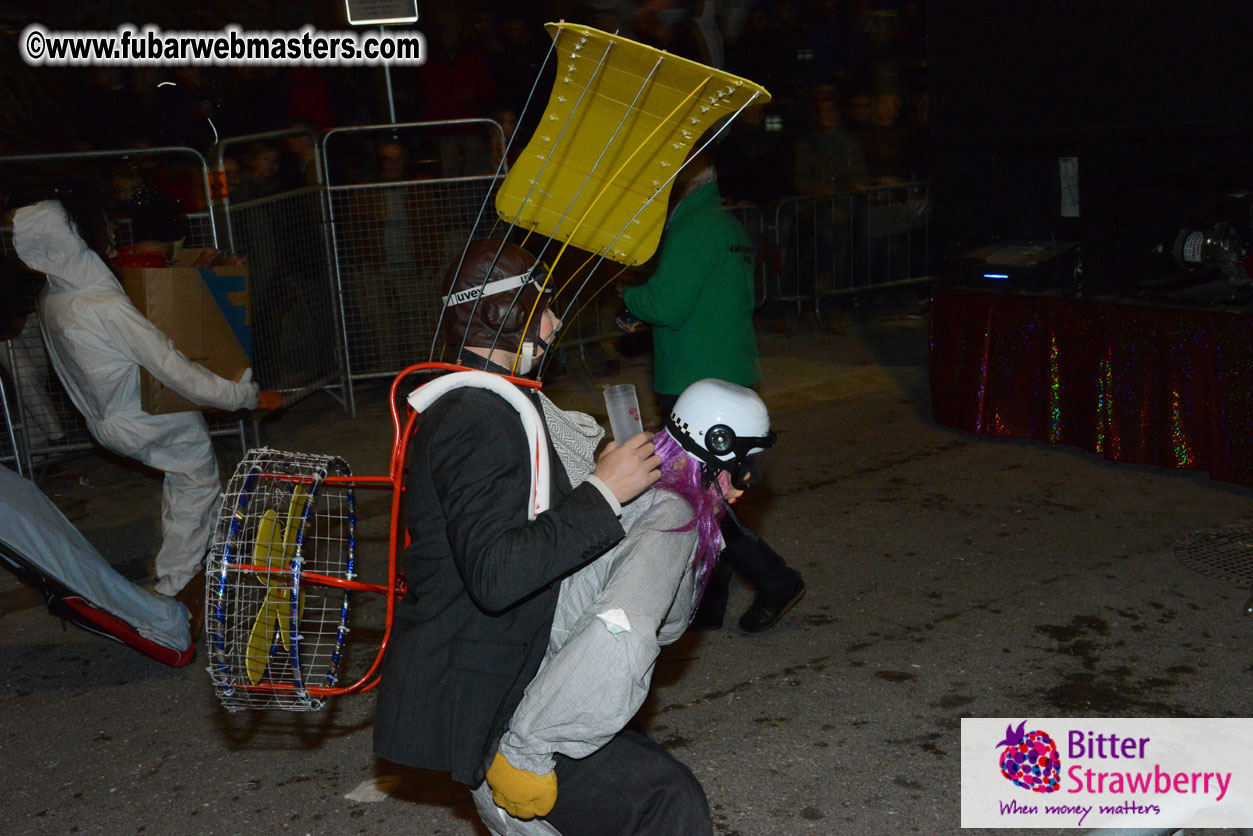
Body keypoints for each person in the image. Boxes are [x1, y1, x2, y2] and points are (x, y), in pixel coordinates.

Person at [373, 240, 709, 835]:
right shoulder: (477, 414)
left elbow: (521, 516)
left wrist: (599, 479)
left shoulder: (492, 401)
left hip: (521, 667)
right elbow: (496, 572)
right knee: (664, 801)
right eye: (541, 308)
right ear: (502, 316)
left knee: (657, 795)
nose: (554, 325)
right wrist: (602, 491)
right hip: (495, 694)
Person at [475, 378, 776, 836]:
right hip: (523, 740)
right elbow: (617, 631)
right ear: (715, 453)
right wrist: (527, 753)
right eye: (744, 468)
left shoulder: (632, 483)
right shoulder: (672, 517)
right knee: (670, 804)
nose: (745, 488)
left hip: (511, 703)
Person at [11, 190, 271, 633]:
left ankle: (192, 562)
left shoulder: (56, 296)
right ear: (74, 239)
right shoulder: (102, 305)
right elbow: (171, 366)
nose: (110, 236)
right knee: (196, 482)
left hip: (107, 420)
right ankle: (176, 586)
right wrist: (239, 396)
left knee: (188, 481)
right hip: (145, 417)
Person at [622, 153, 805, 634]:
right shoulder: (728, 227)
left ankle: (775, 579)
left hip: (696, 385)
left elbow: (665, 304)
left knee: (699, 495)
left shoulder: (692, 229)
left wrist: (626, 294)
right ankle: (712, 599)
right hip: (729, 370)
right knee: (713, 494)